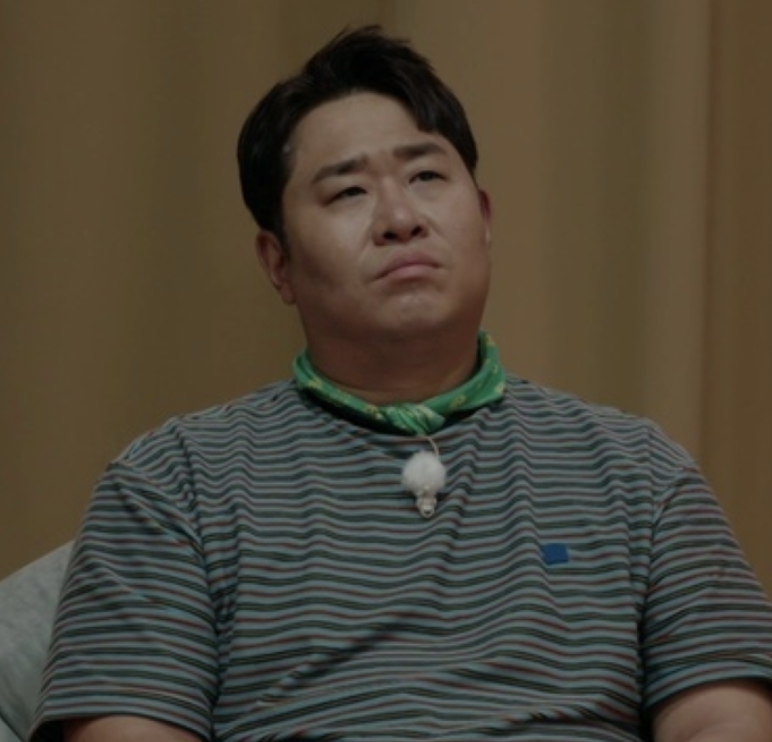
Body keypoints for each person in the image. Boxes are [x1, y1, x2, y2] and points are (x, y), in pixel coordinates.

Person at [31, 25, 772, 742]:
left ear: (484, 218)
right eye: (348, 192)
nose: (399, 219)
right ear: (277, 263)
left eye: (425, 177)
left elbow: (725, 718)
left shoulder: (639, 471)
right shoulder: (170, 484)